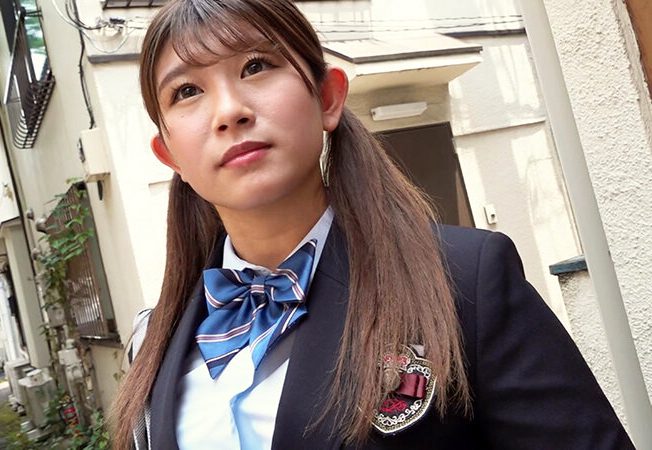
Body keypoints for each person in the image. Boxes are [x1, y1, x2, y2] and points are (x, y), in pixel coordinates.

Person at [110, 0, 634, 449]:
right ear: (169, 154)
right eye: (186, 92)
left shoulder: (466, 281)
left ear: (328, 98)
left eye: (256, 65)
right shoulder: (153, 343)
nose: (229, 111)